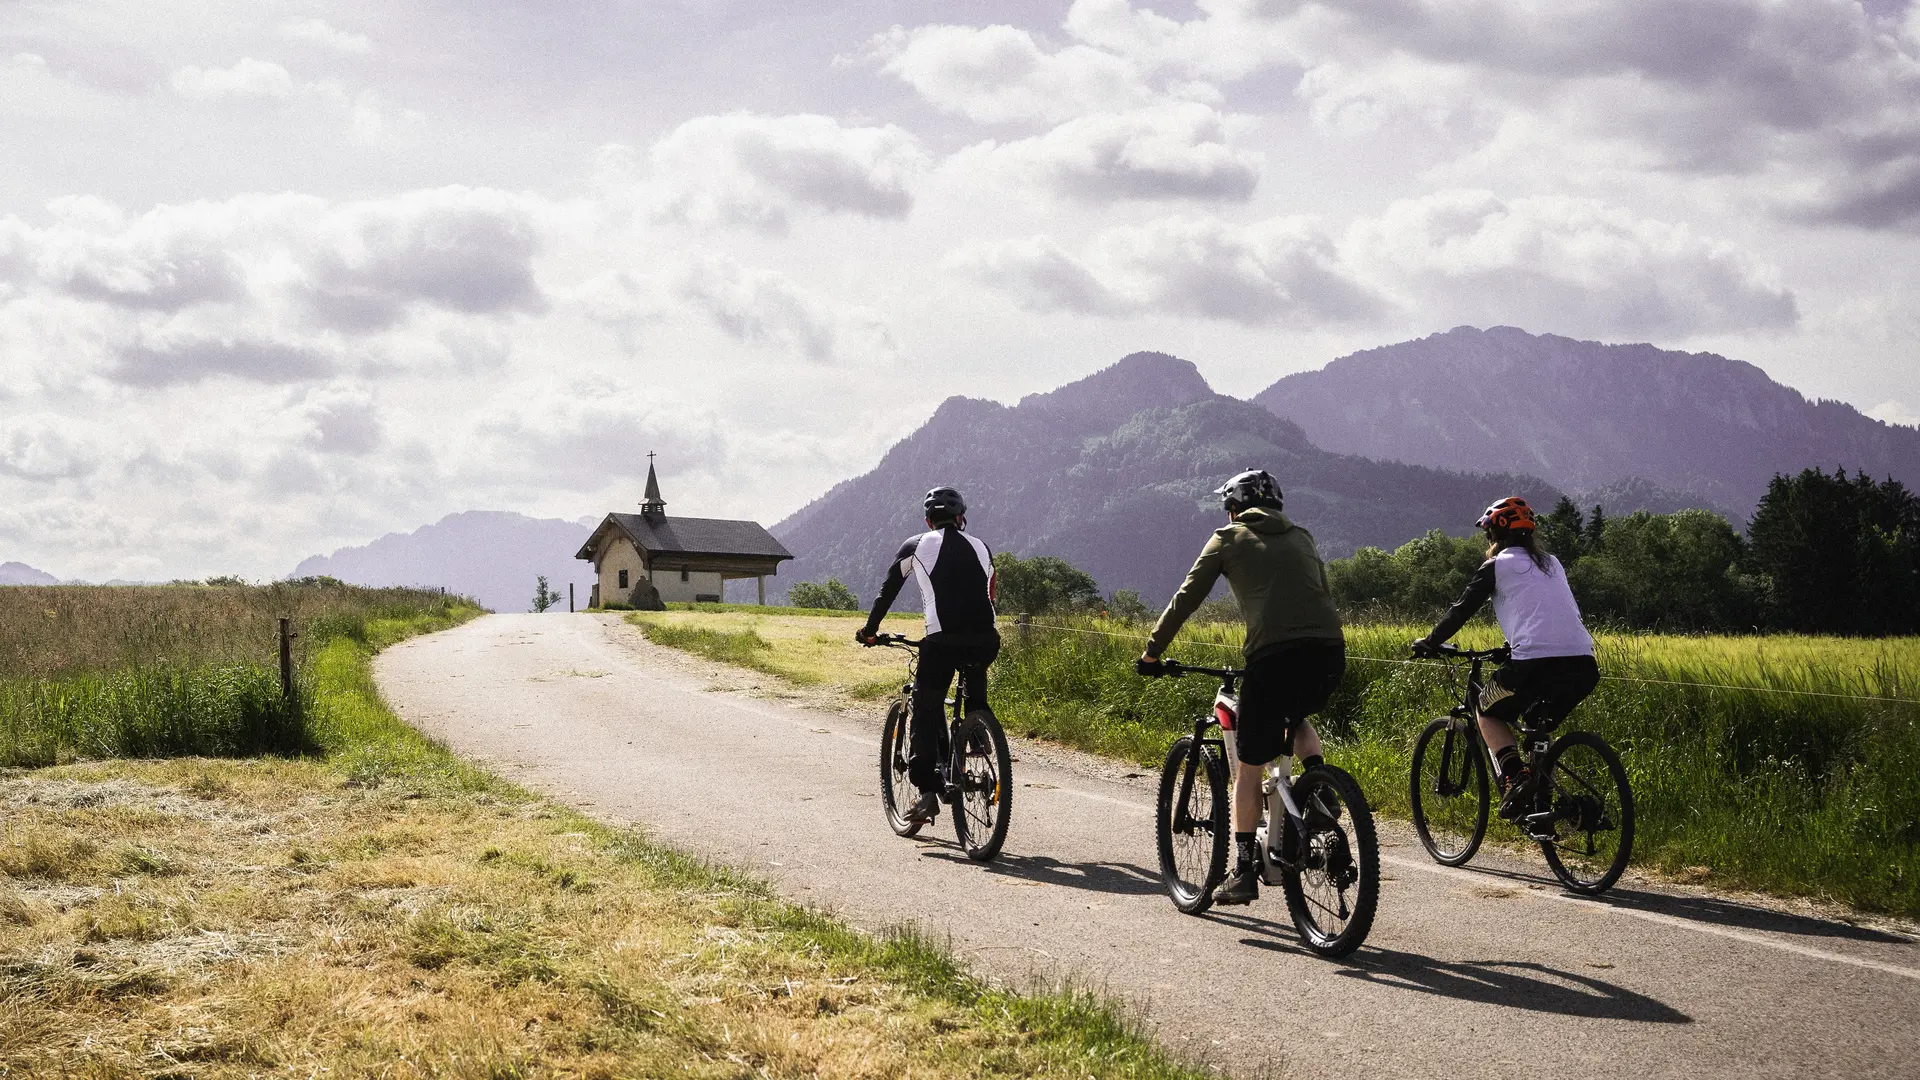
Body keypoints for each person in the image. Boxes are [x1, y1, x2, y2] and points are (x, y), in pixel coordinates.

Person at [1136, 470, 1346, 905]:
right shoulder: (1302, 536)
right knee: (1297, 714)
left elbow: (1186, 597)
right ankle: (1319, 788)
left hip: (1272, 658)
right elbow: (1320, 593)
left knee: (1248, 765)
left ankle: (1245, 869)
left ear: (1233, 507)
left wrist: (1152, 653)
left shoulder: (1228, 537)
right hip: (1329, 654)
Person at [1412, 496, 1598, 822]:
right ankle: (1543, 809)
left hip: (1533, 663)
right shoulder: (1552, 563)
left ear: (1495, 536)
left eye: (1488, 536)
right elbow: (1549, 614)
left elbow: (1461, 610)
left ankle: (1515, 778)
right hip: (1583, 664)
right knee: (1535, 725)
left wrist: (1430, 642)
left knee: (1485, 709)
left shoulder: (1497, 564)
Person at [856, 487, 999, 825]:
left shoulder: (916, 545)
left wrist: (870, 630)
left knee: (925, 705)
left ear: (927, 520)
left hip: (941, 641)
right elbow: (990, 594)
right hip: (985, 639)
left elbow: (887, 592)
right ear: (961, 518)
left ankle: (927, 792)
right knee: (974, 675)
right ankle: (978, 735)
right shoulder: (981, 546)